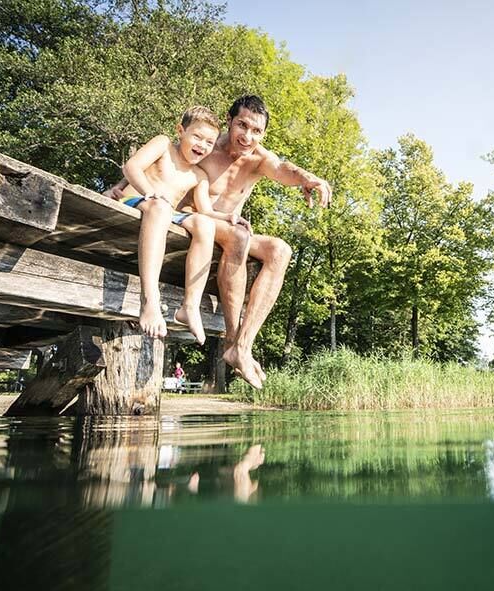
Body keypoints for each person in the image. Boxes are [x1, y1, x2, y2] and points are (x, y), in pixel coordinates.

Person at [108, 96, 331, 389]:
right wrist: (122, 186)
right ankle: (231, 336)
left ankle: (243, 346)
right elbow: (164, 163)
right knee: (238, 234)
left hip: (224, 226)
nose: (247, 136)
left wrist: (308, 178)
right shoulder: (206, 146)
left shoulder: (258, 159)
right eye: (242, 125)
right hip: (190, 222)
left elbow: (283, 168)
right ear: (229, 120)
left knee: (280, 250)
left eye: (256, 131)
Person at [115, 105, 220, 342]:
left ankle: (190, 306)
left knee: (205, 225)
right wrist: (149, 192)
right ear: (180, 131)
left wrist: (230, 219)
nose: (202, 145)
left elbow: (207, 211)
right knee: (161, 207)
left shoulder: (199, 175)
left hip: (165, 213)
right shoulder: (163, 145)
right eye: (197, 136)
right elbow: (131, 167)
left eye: (209, 142)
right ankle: (149, 300)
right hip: (135, 200)